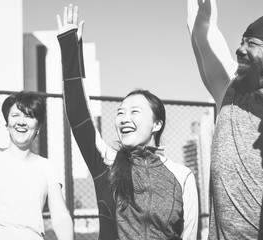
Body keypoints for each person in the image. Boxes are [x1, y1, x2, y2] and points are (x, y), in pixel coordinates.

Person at [56, 4, 199, 240]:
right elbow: (79, 114)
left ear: (157, 124)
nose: (124, 119)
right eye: (120, 112)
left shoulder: (182, 175)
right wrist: (71, 47)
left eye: (135, 112)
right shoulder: (107, 162)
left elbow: (190, 235)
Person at [0, 56, 73, 240]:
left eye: (28, 116)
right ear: (7, 123)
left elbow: (60, 217)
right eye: (15, 115)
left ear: (38, 128)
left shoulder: (47, 168)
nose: (21, 121)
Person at [187, 0, 263, 239]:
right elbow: (202, 29)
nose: (241, 49)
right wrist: (202, 12)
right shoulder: (229, 89)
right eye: (241, 42)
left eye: (253, 43)